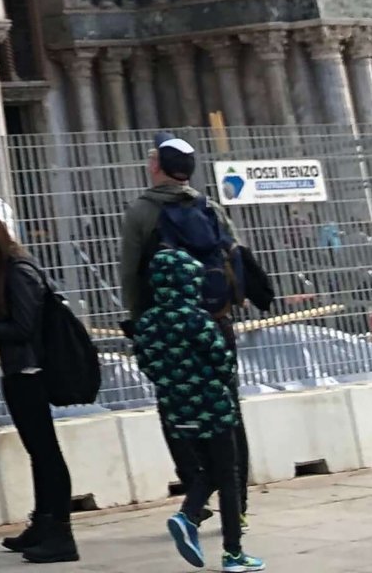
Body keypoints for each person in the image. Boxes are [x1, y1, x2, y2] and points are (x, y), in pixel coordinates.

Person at [120, 135, 264, 502]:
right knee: (227, 406)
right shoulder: (209, 206)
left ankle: (198, 486)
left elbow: (131, 274)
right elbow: (234, 253)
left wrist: (140, 323)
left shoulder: (141, 211)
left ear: (156, 167)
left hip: (166, 329)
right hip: (215, 321)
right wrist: (234, 299)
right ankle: (238, 500)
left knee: (175, 408)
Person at [0, 211, 78, 563]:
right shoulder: (3, 272)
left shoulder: (18, 272)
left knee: (46, 452)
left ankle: (61, 532)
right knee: (39, 451)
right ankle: (43, 523)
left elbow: (22, 329)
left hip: (29, 372)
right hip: (17, 370)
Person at [132, 247, 259, 573]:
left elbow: (146, 365)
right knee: (227, 475)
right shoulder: (198, 320)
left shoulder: (146, 323)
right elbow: (222, 362)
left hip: (176, 409)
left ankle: (188, 516)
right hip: (212, 407)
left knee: (207, 470)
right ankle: (231, 551)